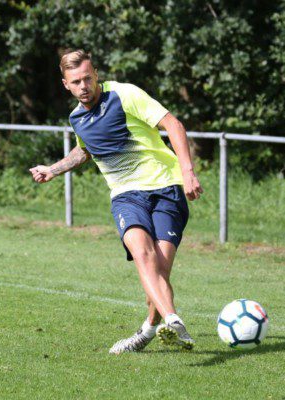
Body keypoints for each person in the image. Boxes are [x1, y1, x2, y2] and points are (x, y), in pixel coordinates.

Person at [30, 50, 203, 354]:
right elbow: (84, 151)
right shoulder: (77, 117)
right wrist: (53, 169)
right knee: (143, 255)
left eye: (87, 77)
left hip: (166, 188)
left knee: (159, 269)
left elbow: (173, 125)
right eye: (75, 81)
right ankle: (173, 320)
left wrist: (188, 172)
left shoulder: (125, 94)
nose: (83, 85)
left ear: (96, 73)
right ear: (65, 85)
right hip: (126, 195)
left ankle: (148, 329)